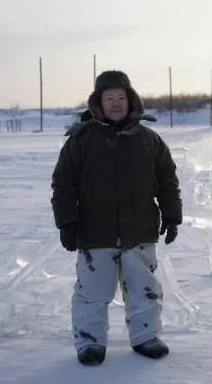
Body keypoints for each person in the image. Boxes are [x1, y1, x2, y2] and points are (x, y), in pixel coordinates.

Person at [51, 70, 182, 366]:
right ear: (98, 102)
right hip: (95, 231)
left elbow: (167, 180)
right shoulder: (81, 140)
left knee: (144, 289)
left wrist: (172, 216)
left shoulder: (149, 140)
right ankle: (89, 342)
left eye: (120, 98)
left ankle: (145, 337)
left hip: (140, 230)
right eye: (109, 98)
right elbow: (63, 183)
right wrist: (67, 222)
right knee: (92, 292)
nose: (115, 104)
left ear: (131, 100)